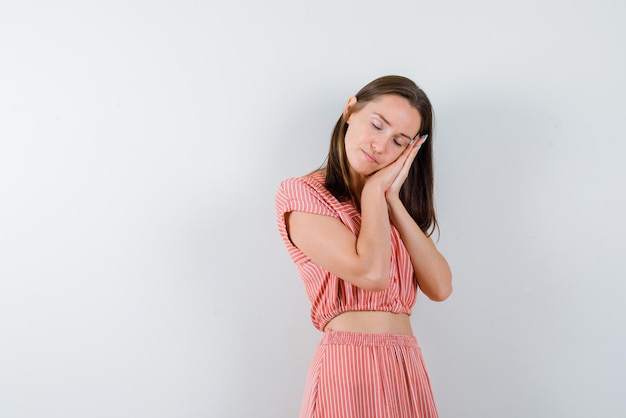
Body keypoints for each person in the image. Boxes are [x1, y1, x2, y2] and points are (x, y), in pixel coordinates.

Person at [275, 75, 452, 418]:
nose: (381, 145)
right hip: (349, 366)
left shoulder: (389, 210)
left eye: (399, 141)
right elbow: (370, 273)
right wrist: (373, 192)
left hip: (406, 366)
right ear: (349, 111)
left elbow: (441, 287)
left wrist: (392, 202)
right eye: (377, 125)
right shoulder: (303, 195)